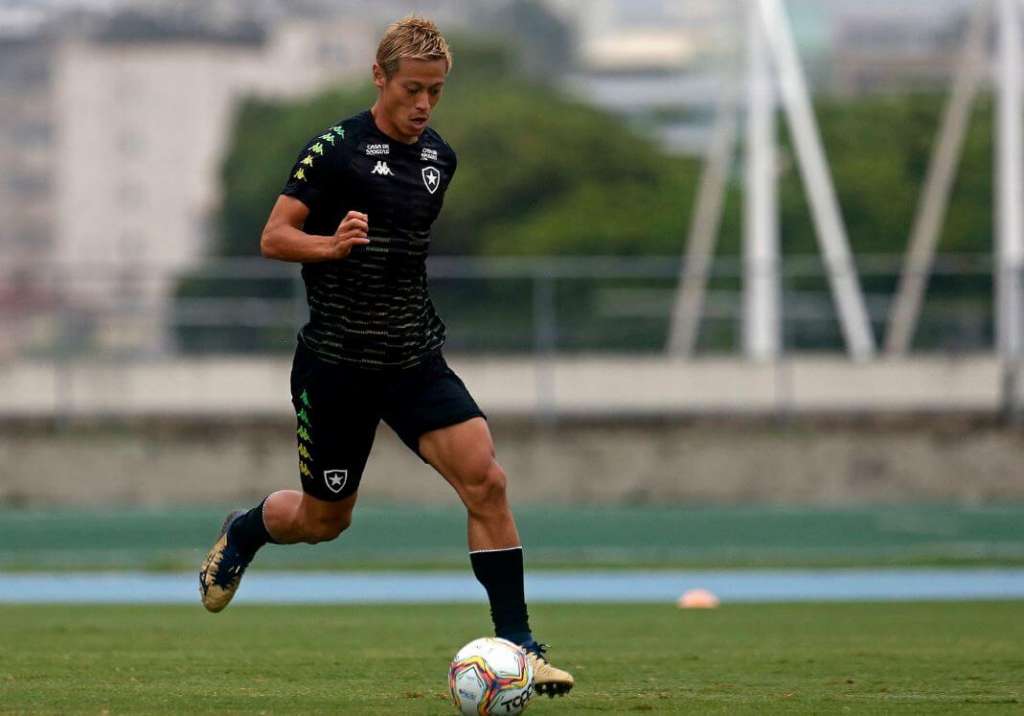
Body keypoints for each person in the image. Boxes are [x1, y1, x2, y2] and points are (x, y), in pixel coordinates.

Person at [198, 15, 574, 698]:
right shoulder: (335, 149)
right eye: (412, 89)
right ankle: (245, 531)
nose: (424, 105)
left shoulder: (440, 159)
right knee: (324, 520)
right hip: (336, 365)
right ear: (380, 77)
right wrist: (329, 245)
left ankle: (519, 644)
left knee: (486, 480)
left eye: (435, 91)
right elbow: (275, 237)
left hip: (412, 359)